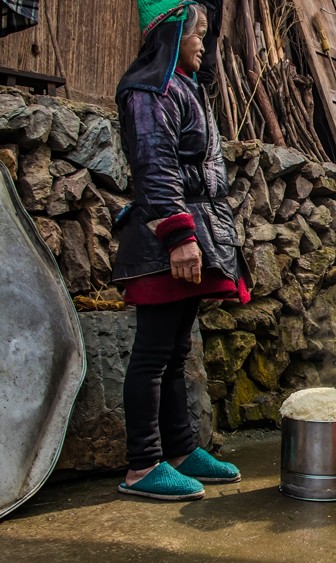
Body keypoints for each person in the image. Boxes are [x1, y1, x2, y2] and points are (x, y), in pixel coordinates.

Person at [112, 0, 249, 501]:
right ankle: (142, 465)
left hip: (195, 230)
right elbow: (155, 165)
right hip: (164, 240)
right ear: (171, 35)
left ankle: (180, 450)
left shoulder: (184, 89)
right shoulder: (150, 91)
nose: (202, 43)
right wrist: (179, 236)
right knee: (152, 354)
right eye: (197, 34)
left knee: (174, 351)